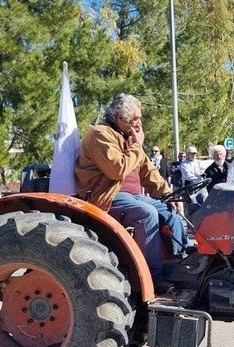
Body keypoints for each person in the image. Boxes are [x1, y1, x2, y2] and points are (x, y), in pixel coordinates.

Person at [75, 93, 185, 292]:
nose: (139, 123)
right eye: (135, 118)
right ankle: (152, 278)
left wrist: (168, 194)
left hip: (133, 196)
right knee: (147, 214)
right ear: (120, 118)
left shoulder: (129, 138)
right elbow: (117, 169)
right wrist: (136, 145)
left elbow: (147, 171)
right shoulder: (100, 134)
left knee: (170, 211)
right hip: (108, 196)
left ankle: (180, 265)